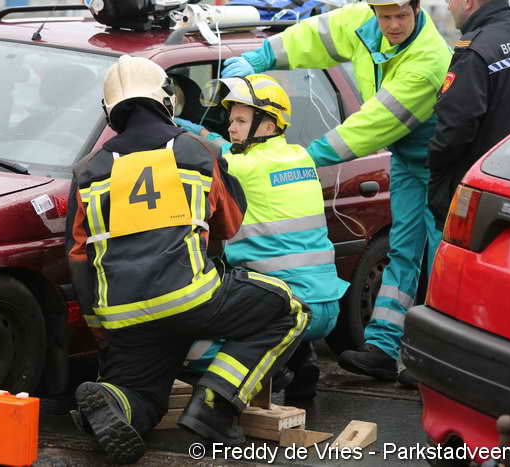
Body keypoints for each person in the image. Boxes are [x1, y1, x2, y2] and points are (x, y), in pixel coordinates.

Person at [65, 55, 309, 464]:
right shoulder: (196, 150)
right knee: (288, 309)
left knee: (144, 396)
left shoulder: (89, 169)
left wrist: (101, 330)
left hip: (121, 313)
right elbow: (229, 223)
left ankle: (115, 400)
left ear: (109, 110)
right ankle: (214, 406)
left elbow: (77, 257)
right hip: (190, 297)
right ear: (167, 101)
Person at [221, 0, 451, 384]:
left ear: (417, 9)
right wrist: (260, 58)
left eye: (401, 16)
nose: (393, 25)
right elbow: (311, 37)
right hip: (406, 158)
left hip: (440, 164)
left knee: (443, 260)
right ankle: (383, 347)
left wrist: (300, 159)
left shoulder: (428, 61)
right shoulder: (360, 22)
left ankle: (436, 363)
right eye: (385, 16)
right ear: (373, 11)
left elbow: (369, 128)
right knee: (402, 252)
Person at [177, 74, 350, 400]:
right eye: (231, 120)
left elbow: (213, 152)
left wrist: (175, 127)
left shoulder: (240, 167)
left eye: (241, 121)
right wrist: (195, 127)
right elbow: (223, 145)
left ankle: (271, 368)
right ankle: (301, 361)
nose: (231, 127)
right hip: (326, 304)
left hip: (287, 307)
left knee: (191, 341)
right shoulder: (300, 156)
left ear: (268, 126)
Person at [427, 0, 510, 228]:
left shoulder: (474, 50)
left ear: (468, 2)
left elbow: (455, 127)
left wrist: (435, 170)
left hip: (482, 189)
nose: (448, 6)